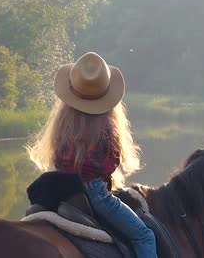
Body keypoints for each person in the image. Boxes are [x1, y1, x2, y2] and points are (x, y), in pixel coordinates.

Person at [27, 52, 158, 258]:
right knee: (144, 235)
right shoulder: (106, 126)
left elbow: (57, 158)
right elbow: (109, 164)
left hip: (63, 190)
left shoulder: (63, 124)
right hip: (95, 194)